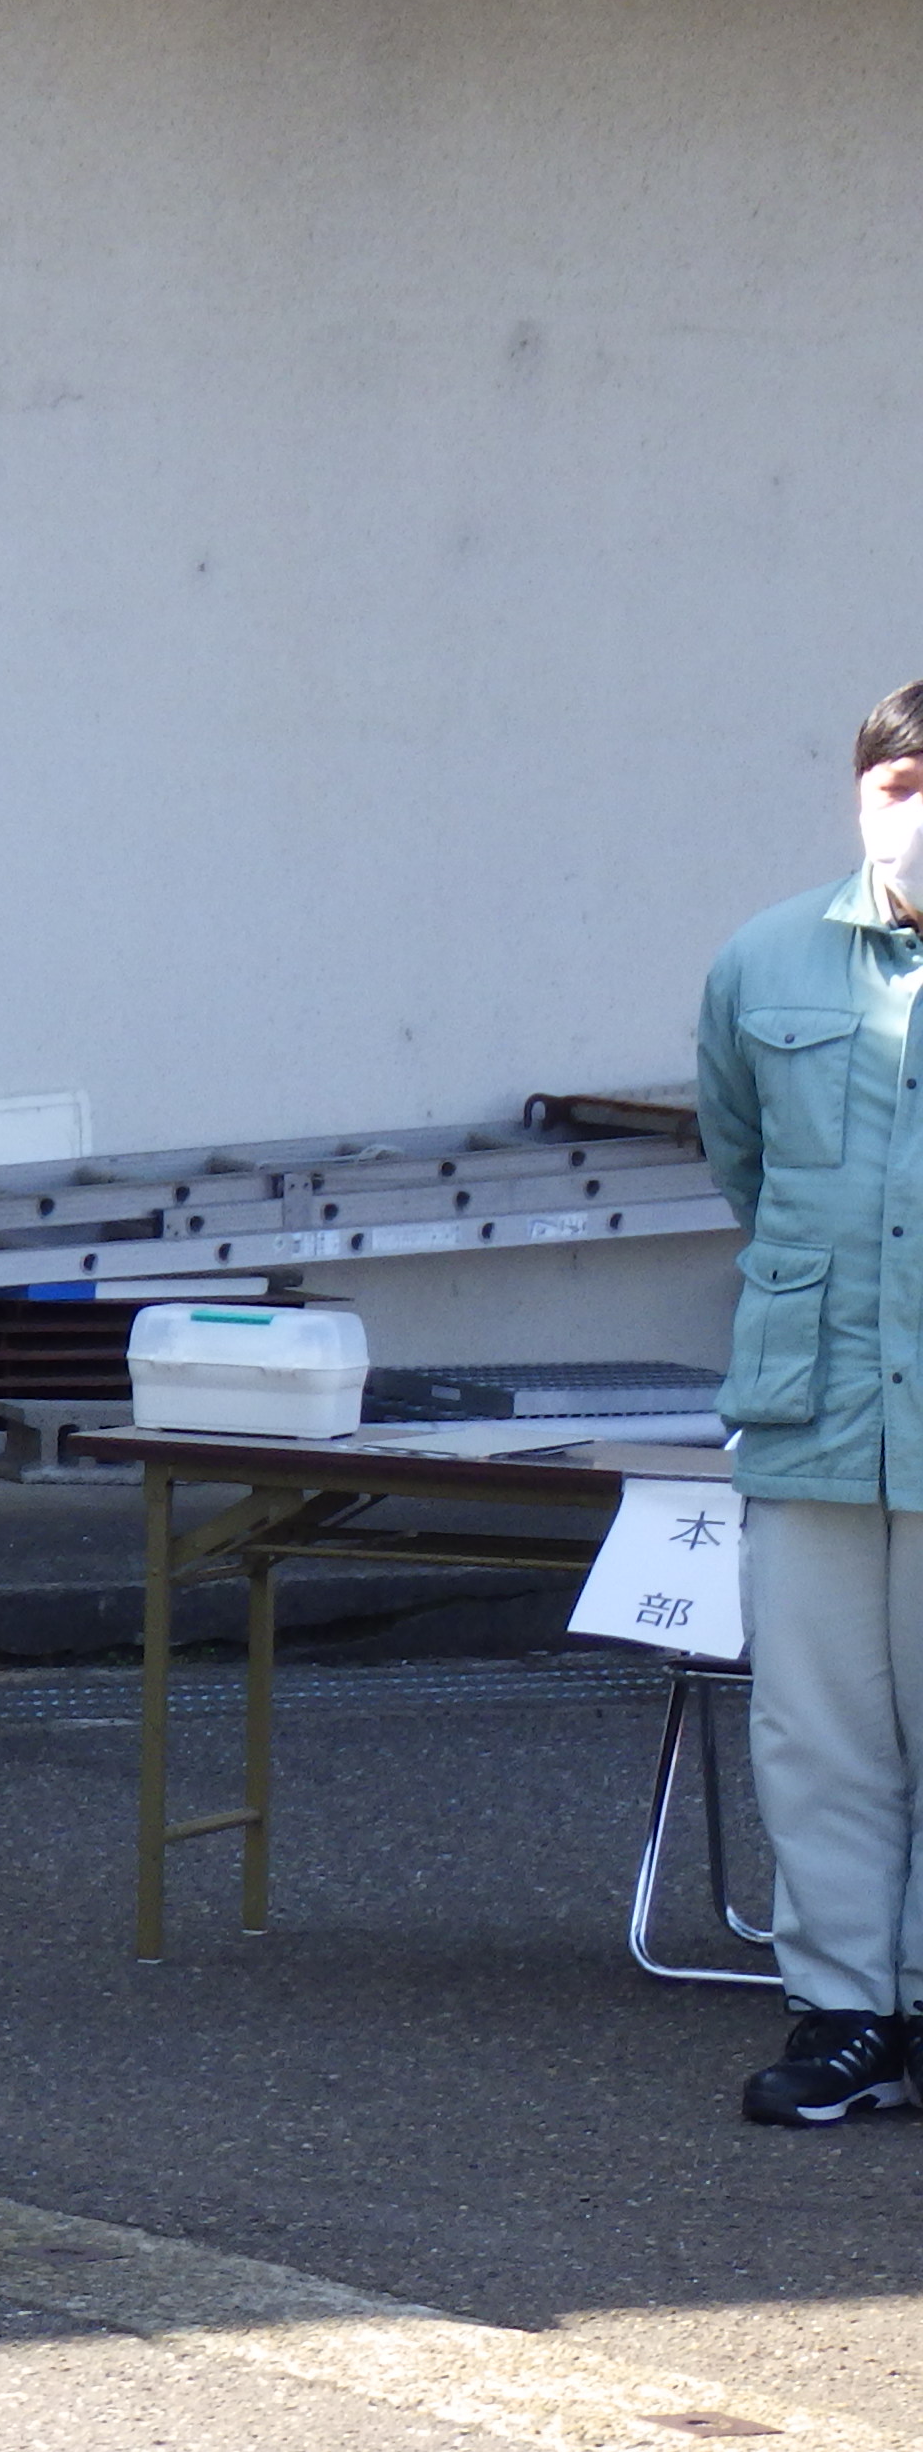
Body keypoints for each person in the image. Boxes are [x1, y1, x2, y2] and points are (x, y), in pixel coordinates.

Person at [697, 680, 923, 2129]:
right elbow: (742, 1159)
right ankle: (847, 2014)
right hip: (819, 1403)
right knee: (816, 1728)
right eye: (899, 786)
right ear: (859, 793)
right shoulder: (764, 959)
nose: (918, 813)